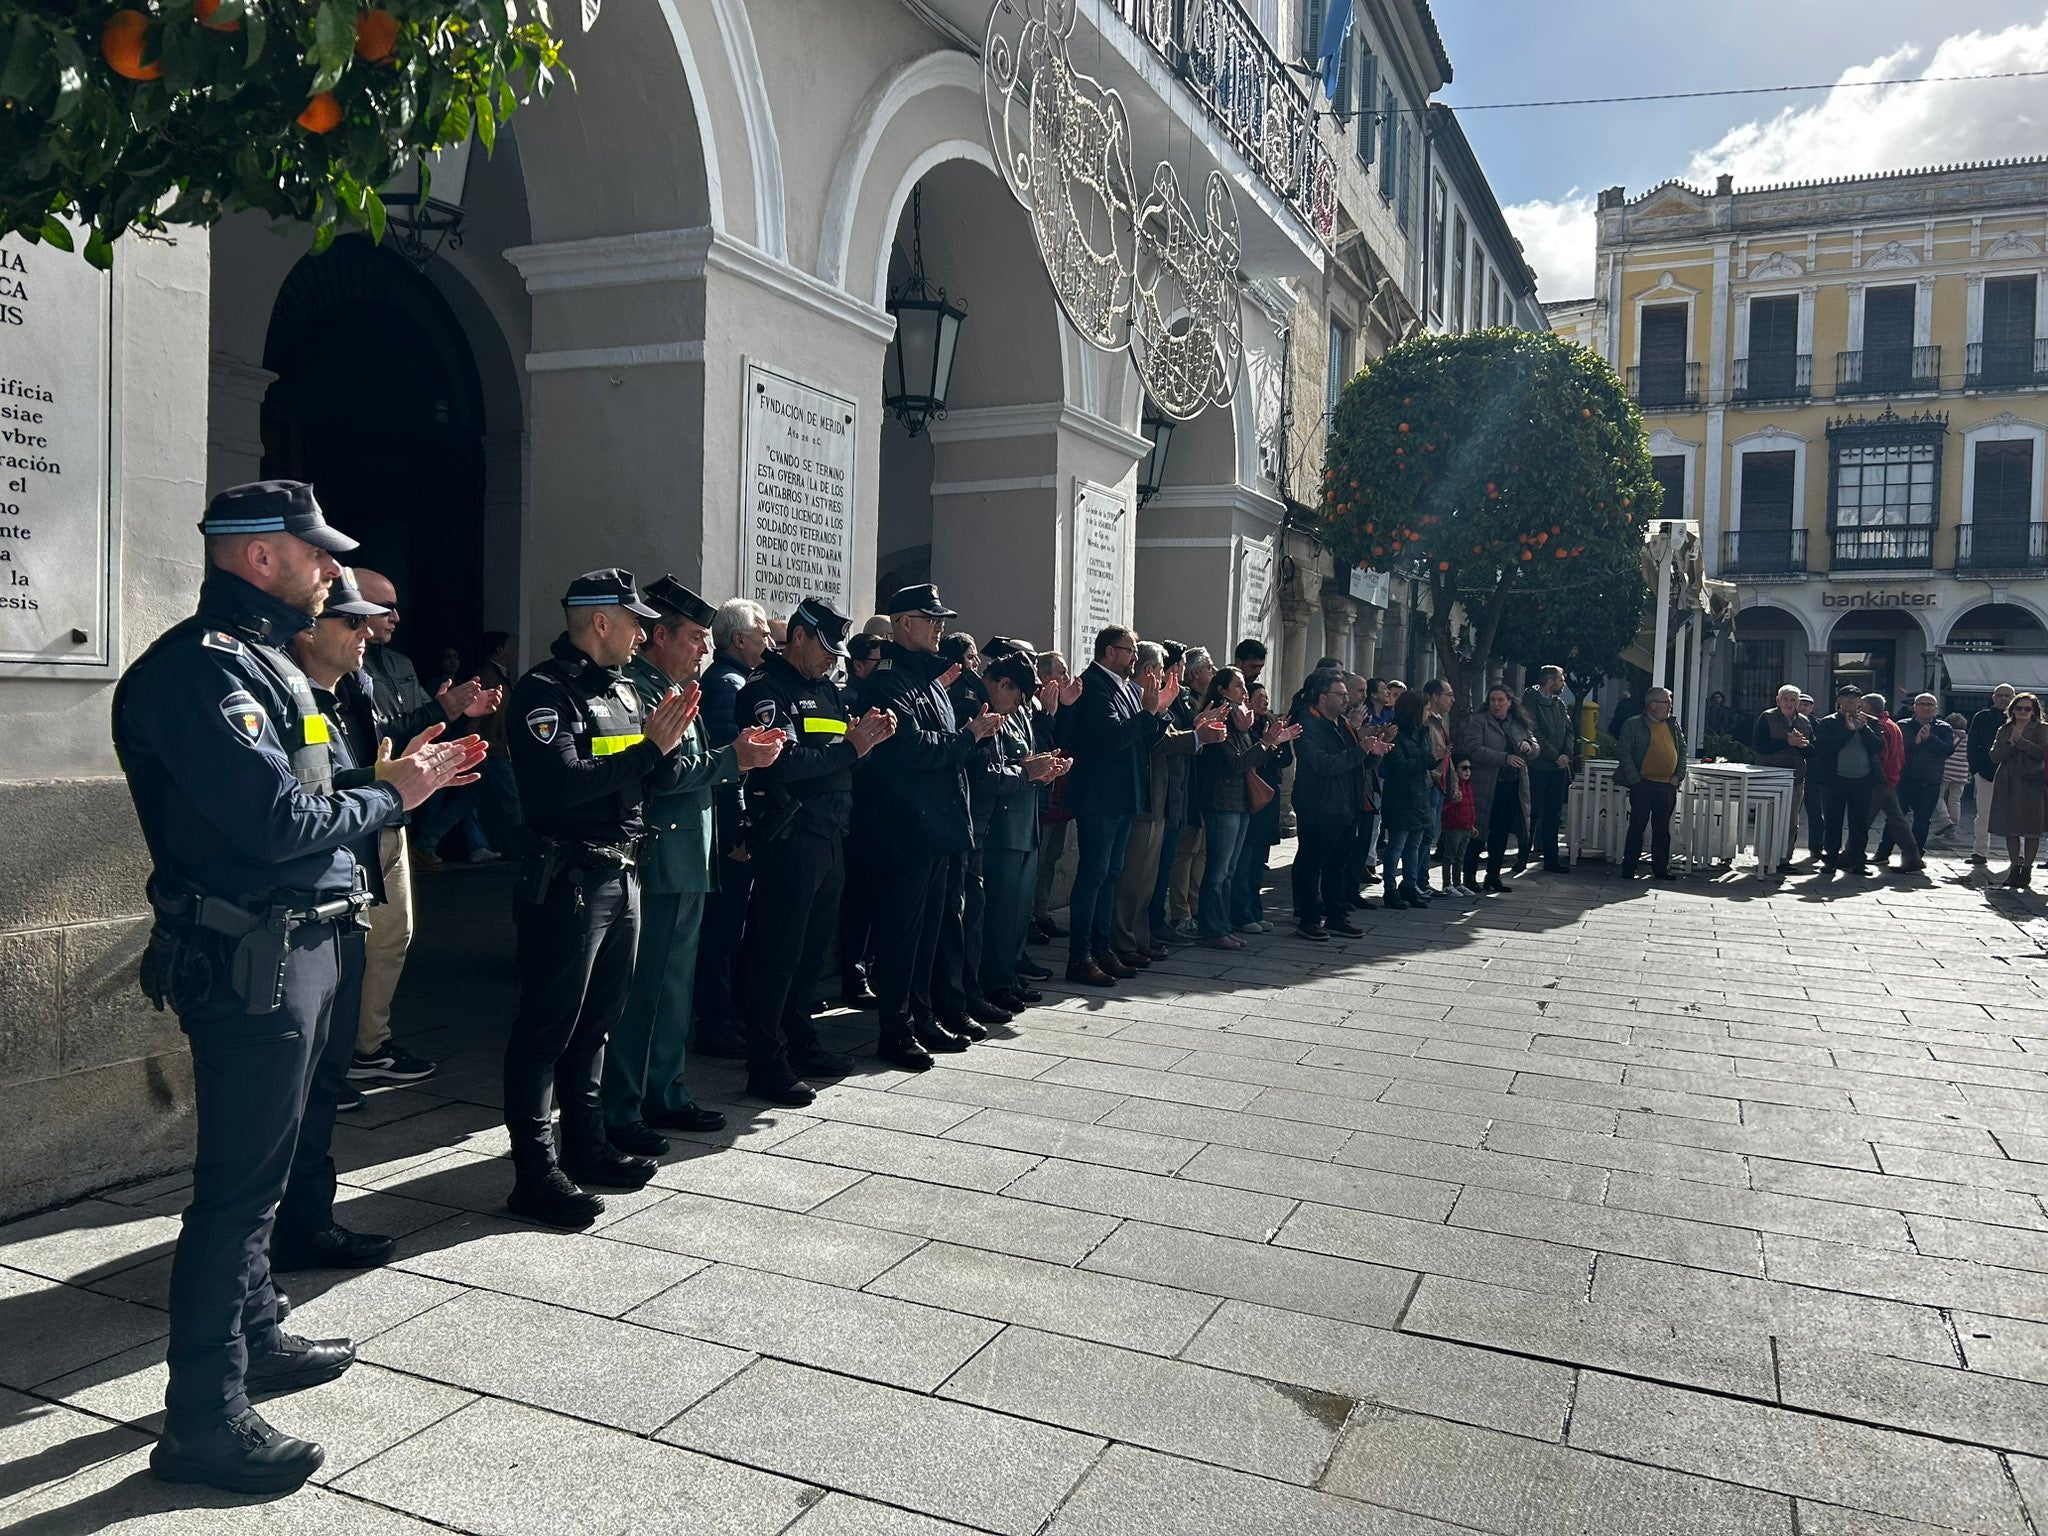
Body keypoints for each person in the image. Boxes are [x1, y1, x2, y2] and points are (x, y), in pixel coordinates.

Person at [114, 482, 480, 1494]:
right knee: (236, 1191)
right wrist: (392, 795)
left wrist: (394, 782)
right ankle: (204, 1419)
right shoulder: (201, 672)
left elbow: (308, 796)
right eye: (317, 554)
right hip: (253, 956)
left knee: (270, 1175)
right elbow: (274, 824)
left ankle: (257, 1332)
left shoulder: (272, 664)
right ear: (259, 557)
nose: (332, 572)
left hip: (304, 944)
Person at [502, 569, 696, 1229]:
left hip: (622, 871)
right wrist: (649, 749)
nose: (643, 634)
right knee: (547, 1029)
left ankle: (586, 1146)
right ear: (601, 622)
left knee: (597, 1023)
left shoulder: (622, 689)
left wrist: (666, 746)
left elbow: (652, 776)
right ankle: (534, 1175)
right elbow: (561, 785)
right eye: (635, 621)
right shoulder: (545, 691)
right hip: (571, 881)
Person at [602, 578, 785, 1151]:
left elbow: (695, 761)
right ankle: (624, 1105)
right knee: (644, 991)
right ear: (661, 636)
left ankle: (665, 1091)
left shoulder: (677, 687)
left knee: (674, 986)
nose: (705, 649)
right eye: (695, 638)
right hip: (660, 856)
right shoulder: (639, 689)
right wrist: (735, 759)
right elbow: (663, 772)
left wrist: (735, 755)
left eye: (707, 639)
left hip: (687, 857)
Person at [275, 570, 412, 1271]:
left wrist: (404, 778)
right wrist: (389, 791)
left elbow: (334, 788)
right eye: (351, 622)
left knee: (325, 1084)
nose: (366, 634)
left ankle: (307, 1222)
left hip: (341, 910)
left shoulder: (331, 699)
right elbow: (295, 814)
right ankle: (272, 1240)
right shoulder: (283, 697)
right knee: (286, 1095)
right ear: (309, 631)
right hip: (295, 925)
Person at [733, 598, 896, 1102]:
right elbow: (781, 761)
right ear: (798, 636)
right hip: (790, 837)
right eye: (825, 648)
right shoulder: (766, 690)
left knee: (809, 953)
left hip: (830, 835)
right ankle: (766, 1062)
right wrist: (850, 748)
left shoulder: (826, 690)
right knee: (777, 953)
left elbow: (842, 762)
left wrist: (867, 743)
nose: (831, 659)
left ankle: (800, 1042)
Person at [345, 570, 500, 1088]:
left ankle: (368, 1045)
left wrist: (450, 721)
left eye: (395, 607)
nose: (393, 617)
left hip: (393, 813)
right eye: (380, 607)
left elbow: (407, 733)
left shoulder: (396, 665)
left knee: (393, 936)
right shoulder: (326, 668)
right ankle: (339, 1054)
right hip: (354, 816)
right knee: (345, 943)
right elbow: (372, 740)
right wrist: (443, 708)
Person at [859, 584, 1003, 1055]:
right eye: (931, 618)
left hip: (936, 826)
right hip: (904, 828)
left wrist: (969, 739)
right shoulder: (888, 682)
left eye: (942, 619)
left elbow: (943, 748)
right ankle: (895, 1030)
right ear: (903, 623)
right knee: (901, 936)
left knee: (928, 933)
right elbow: (910, 749)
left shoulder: (929, 681)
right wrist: (968, 737)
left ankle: (923, 1017)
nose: (940, 627)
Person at [1061, 625, 1176, 984]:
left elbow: (1141, 742)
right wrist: (1148, 713)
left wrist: (1159, 712)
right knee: (1094, 874)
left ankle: (1103, 948)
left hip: (1124, 794)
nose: (1135, 657)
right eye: (1130, 650)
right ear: (1110, 651)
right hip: (1099, 796)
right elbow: (1112, 738)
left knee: (1111, 874)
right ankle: (1080, 956)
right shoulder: (1093, 685)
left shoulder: (1125, 687)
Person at [692, 598, 774, 1057]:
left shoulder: (739, 680)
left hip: (736, 823)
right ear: (739, 639)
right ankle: (715, 1021)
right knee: (723, 929)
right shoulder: (727, 685)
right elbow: (731, 767)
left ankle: (727, 1014)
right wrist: (738, 829)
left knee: (733, 928)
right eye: (762, 632)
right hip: (730, 828)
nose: (769, 639)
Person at [978, 648, 1068, 1010]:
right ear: (1003, 685)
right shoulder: (985, 711)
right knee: (999, 912)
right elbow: (995, 767)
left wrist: (1045, 767)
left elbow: (1028, 754)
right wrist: (1028, 769)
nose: (1021, 704)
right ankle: (994, 983)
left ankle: (1009, 974)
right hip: (1001, 826)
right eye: (1018, 696)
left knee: (1017, 912)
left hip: (1024, 821)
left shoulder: (1020, 714)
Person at [932, 632, 1011, 1033]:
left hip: (973, 824)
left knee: (969, 915)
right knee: (954, 918)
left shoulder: (970, 699)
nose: (975, 664)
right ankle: (952, 1002)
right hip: (956, 824)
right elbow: (974, 766)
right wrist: (1021, 775)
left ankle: (967, 995)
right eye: (968, 657)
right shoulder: (962, 701)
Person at [1112, 643, 1204, 963]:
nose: (1167, 675)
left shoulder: (1152, 698)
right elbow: (1158, 742)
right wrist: (1197, 735)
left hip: (1160, 797)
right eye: (1163, 669)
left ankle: (1139, 937)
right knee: (1132, 878)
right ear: (1151, 671)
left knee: (1146, 880)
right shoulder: (1136, 697)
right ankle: (1124, 940)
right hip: (1143, 796)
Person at [1195, 666, 1295, 948]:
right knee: (1218, 871)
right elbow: (1234, 763)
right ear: (1221, 689)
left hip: (1240, 802)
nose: (1244, 691)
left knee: (1229, 871)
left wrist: (1269, 743)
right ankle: (1212, 929)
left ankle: (1224, 925)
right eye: (1238, 685)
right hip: (1223, 802)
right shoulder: (1220, 719)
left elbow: (1252, 762)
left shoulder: (1240, 719)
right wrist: (1264, 743)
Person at [1291, 672, 1386, 938]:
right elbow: (1322, 764)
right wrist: (1360, 750)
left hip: (1346, 806)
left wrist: (1374, 752)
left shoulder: (1342, 723)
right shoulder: (1308, 724)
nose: (1346, 699)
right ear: (1323, 698)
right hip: (1319, 806)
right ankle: (1309, 919)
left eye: (1346, 694)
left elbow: (1358, 762)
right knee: (1312, 864)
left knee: (1338, 864)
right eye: (1340, 694)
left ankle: (1336, 916)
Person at [837, 631, 886, 1008]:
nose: (883, 669)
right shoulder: (849, 699)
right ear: (857, 665)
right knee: (858, 899)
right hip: (855, 812)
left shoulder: (877, 697)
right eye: (876, 662)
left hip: (874, 811)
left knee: (871, 899)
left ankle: (866, 967)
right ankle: (853, 975)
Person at [1459, 685, 1536, 894]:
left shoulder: (1517, 722)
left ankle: (1493, 875)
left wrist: (1528, 746)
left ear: (1509, 702)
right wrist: (1504, 758)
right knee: (1478, 831)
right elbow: (1474, 748)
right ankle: (1469, 876)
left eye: (1501, 700)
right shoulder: (1479, 721)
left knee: (1501, 833)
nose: (1496, 704)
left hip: (1511, 786)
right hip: (1485, 785)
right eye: (1492, 700)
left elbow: (1534, 745)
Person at [1162, 646, 1215, 939]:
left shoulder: (1188, 699)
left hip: (1194, 785)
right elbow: (1169, 740)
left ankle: (1194, 909)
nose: (1213, 672)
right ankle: (1180, 914)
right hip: (1177, 788)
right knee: (1182, 854)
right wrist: (1197, 730)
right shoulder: (1177, 700)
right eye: (1208, 668)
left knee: (1198, 851)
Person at [1028, 649, 1080, 944]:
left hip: (1062, 795)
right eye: (1060, 672)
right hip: (1045, 796)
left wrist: (1069, 706)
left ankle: (1042, 911)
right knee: (1038, 860)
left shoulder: (1066, 701)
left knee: (1052, 858)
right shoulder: (1038, 704)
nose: (1066, 677)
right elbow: (1051, 743)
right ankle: (1027, 917)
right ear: (1044, 676)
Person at [1232, 682, 1290, 933]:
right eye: (1259, 697)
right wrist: (1269, 744)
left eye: (1266, 697)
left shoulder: (1272, 722)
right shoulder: (1244, 726)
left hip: (1268, 798)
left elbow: (1286, 760)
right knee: (1243, 863)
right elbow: (1250, 759)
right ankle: (1242, 914)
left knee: (1258, 863)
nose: (1264, 701)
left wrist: (1278, 743)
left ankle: (1256, 911)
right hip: (1250, 796)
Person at [1614, 686, 1688, 879]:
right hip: (1643, 783)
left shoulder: (1673, 725)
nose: (1670, 706)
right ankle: (1629, 867)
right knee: (1637, 825)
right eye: (1667, 702)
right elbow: (1624, 752)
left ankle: (1660, 868)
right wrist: (1635, 780)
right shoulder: (1633, 724)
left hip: (1667, 785)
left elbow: (1682, 751)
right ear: (1653, 705)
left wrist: (1678, 776)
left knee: (1662, 828)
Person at [1810, 686, 1885, 876]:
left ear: (1861, 701)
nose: (1851, 701)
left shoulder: (1871, 722)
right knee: (1832, 822)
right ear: (1839, 701)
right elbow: (1824, 747)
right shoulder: (1828, 722)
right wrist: (1848, 731)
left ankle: (1858, 862)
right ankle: (1830, 860)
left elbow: (1877, 746)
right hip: (1834, 780)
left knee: (1859, 824)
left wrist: (1863, 729)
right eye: (1846, 697)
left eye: (1855, 698)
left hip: (1862, 780)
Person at [1379, 688, 1440, 908]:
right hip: (1400, 795)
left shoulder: (1422, 730)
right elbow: (1399, 765)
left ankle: (1410, 885)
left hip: (1420, 793)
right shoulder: (1395, 731)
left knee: (1415, 844)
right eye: (1425, 709)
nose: (1428, 713)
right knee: (1397, 844)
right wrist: (1429, 758)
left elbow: (1425, 760)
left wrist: (1435, 757)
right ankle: (1390, 889)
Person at [1988, 691, 2048, 889]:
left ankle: (2027, 869)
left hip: (2032, 782)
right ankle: (2014, 867)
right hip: (2008, 780)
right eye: (2019, 708)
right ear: (2012, 710)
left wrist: (2021, 742)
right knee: (2010, 827)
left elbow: (2042, 753)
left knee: (2032, 829)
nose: (2022, 712)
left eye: (2027, 709)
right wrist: (2011, 745)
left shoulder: (2042, 728)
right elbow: (1994, 755)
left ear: (2034, 711)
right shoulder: (2005, 729)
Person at [1522, 665, 1578, 874]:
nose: (1563, 684)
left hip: (1558, 768)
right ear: (1549, 681)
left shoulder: (1559, 704)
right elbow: (1533, 732)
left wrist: (1567, 754)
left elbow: (1569, 731)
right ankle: (1522, 855)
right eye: (1561, 680)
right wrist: (1555, 755)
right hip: (1538, 765)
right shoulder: (1531, 701)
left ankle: (1551, 859)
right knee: (1533, 812)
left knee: (1554, 814)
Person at [1886, 693, 1951, 871]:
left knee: (1922, 820)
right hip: (1906, 778)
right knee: (1895, 817)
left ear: (1936, 708)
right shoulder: (1904, 725)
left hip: (1930, 780)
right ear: (1914, 707)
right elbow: (1898, 747)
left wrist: (1930, 739)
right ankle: (1883, 852)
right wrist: (1916, 741)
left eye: (1930, 704)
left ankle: (1913, 858)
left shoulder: (1943, 727)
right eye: (1922, 704)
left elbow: (1947, 750)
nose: (1926, 707)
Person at [1751, 685, 1814, 865]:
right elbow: (1759, 746)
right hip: (1770, 775)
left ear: (1798, 702)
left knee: (1791, 821)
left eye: (1793, 700)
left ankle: (1784, 859)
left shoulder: (1804, 721)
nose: (1789, 703)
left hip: (1795, 777)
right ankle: (1765, 859)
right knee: (1768, 819)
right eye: (1785, 699)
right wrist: (1786, 742)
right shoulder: (1767, 717)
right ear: (1778, 700)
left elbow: (1812, 750)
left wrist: (1802, 745)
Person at [1866, 694, 1923, 873]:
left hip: (1880, 779)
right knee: (1897, 820)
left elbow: (1880, 754)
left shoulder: (1879, 726)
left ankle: (1850, 853)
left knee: (1864, 818)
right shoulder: (1892, 724)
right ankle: (1913, 857)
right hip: (1891, 777)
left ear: (1868, 708)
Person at [1968, 684, 2017, 867]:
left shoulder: (2019, 717)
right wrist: (1975, 769)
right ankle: (1979, 852)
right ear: (1993, 697)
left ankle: (2018, 855)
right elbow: (1972, 744)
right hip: (1986, 772)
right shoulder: (1982, 717)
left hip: (2014, 773)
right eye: (2000, 695)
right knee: (1983, 814)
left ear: (2013, 697)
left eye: (2007, 695)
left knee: (2015, 814)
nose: (2003, 699)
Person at [1439, 754, 1478, 897]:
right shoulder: (1453, 787)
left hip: (1466, 827)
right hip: (1454, 827)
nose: (1468, 771)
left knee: (1460, 857)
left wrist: (1472, 825)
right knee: (1450, 856)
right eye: (1464, 768)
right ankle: (1446, 884)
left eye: (1470, 768)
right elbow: (1446, 808)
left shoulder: (1468, 786)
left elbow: (1470, 807)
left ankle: (1457, 883)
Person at [1931, 711, 1972, 845]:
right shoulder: (1968, 739)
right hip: (1962, 772)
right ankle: (1953, 828)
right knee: (1955, 800)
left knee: (1938, 796)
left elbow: (1946, 750)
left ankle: (1946, 820)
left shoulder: (1951, 735)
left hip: (1947, 769)